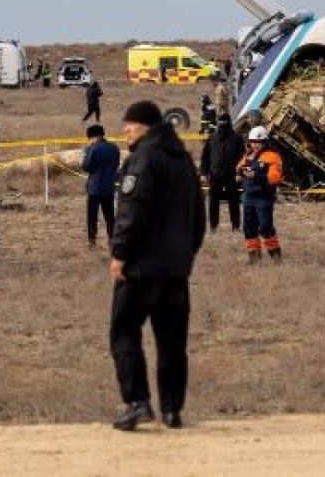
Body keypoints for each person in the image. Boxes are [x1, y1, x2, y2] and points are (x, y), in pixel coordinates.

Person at [109, 100, 205, 431]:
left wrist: (120, 253)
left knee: (124, 331)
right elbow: (198, 216)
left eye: (130, 124)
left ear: (145, 126)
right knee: (172, 341)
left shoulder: (144, 159)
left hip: (140, 267)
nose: (125, 130)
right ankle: (172, 410)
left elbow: (132, 211)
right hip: (176, 270)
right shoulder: (183, 161)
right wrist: (185, 256)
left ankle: (137, 402)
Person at [237, 125, 284, 263]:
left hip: (264, 197)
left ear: (264, 142)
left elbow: (274, 178)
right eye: (253, 142)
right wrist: (239, 173)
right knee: (249, 228)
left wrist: (255, 176)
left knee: (265, 227)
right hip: (249, 197)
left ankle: (275, 256)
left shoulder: (273, 156)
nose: (255, 145)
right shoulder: (249, 156)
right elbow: (238, 168)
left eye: (258, 142)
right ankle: (254, 258)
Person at [199, 113, 244, 232]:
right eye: (221, 121)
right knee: (213, 201)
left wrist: (240, 173)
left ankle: (236, 226)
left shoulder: (237, 139)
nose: (223, 124)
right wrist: (203, 173)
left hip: (232, 175)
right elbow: (205, 157)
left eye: (225, 121)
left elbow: (242, 157)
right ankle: (213, 225)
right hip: (215, 175)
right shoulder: (212, 138)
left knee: (233, 201)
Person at [82, 124, 121, 246]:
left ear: (92, 136)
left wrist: (85, 153)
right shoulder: (114, 148)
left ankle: (92, 239)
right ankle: (112, 238)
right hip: (109, 186)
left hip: (95, 187)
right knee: (110, 215)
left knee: (92, 216)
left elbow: (86, 167)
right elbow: (116, 165)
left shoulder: (92, 149)